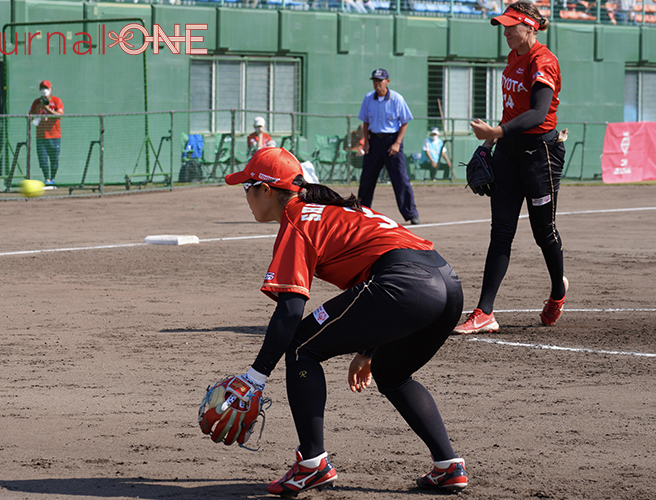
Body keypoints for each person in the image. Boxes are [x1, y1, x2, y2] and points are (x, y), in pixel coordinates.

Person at [224, 147, 468, 496]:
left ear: (266, 190)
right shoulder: (333, 210)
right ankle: (448, 466)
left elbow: (290, 311)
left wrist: (255, 376)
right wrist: (368, 349)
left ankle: (312, 463)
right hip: (446, 283)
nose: (244, 195)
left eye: (247, 186)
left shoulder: (297, 217)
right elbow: (371, 270)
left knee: (301, 347)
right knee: (393, 374)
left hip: (406, 284)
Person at [454, 1, 568, 335]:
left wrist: (496, 132)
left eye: (510, 26)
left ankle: (558, 292)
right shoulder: (513, 57)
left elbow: (537, 112)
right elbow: (510, 111)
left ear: (529, 27)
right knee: (501, 231)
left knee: (542, 232)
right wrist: (489, 144)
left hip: (540, 153)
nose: (505, 32)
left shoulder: (543, 60)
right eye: (503, 27)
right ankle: (484, 311)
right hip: (507, 151)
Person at [358, 68, 420, 225]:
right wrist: (366, 142)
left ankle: (411, 214)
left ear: (387, 81)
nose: (377, 84)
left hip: (392, 141)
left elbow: (405, 121)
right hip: (374, 141)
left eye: (380, 81)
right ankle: (361, 212)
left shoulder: (396, 99)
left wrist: (397, 143)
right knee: (367, 178)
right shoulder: (368, 99)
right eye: (374, 81)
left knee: (400, 179)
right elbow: (365, 122)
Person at [29, 80, 63, 186]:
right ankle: (47, 179)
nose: (44, 91)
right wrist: (38, 109)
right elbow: (30, 117)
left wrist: (47, 109)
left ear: (51, 89)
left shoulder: (56, 100)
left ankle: (52, 178)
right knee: (43, 159)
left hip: (54, 135)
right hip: (41, 136)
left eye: (47, 88)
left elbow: (60, 115)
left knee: (54, 159)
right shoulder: (36, 102)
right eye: (42, 88)